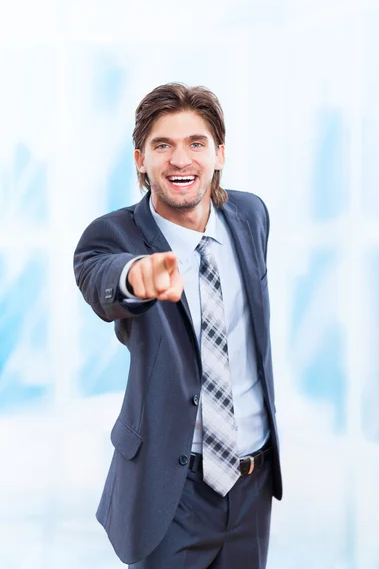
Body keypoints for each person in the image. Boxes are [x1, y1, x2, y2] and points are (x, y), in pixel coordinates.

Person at [73, 82, 282, 569]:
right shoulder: (112, 236)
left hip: (251, 481)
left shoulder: (250, 215)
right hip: (172, 490)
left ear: (220, 153)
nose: (180, 159)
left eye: (196, 143)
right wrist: (134, 277)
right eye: (162, 145)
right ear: (140, 160)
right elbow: (103, 275)